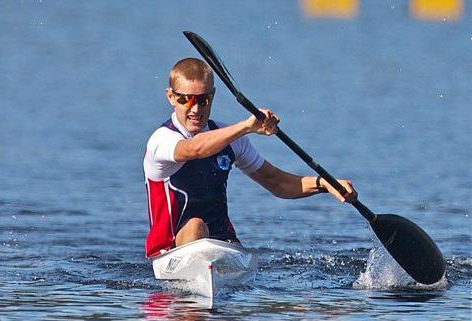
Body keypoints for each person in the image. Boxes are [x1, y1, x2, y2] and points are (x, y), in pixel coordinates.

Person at [143, 57, 357, 258]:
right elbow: (195, 149)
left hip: (224, 247)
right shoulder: (161, 140)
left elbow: (278, 183)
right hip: (168, 253)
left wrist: (325, 184)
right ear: (171, 97)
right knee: (195, 226)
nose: (196, 109)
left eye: (204, 100)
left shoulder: (232, 139)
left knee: (209, 234)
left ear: (213, 96)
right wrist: (246, 126)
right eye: (186, 100)